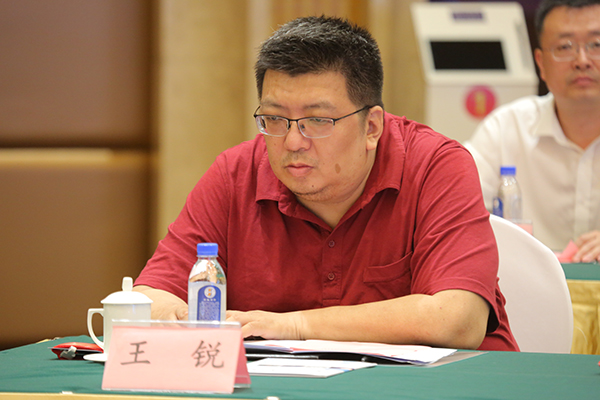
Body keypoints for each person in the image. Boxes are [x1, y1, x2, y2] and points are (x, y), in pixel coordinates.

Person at [134, 16, 518, 351]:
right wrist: (188, 320)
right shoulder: (236, 174)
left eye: (317, 120)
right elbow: (148, 297)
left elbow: (457, 320)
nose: (292, 141)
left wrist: (293, 326)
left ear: (372, 127)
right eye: (274, 118)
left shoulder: (436, 166)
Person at [465, 0, 600, 261]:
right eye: (565, 47)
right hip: (524, 284)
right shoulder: (505, 129)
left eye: (596, 45)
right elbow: (453, 214)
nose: (582, 61)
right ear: (541, 63)